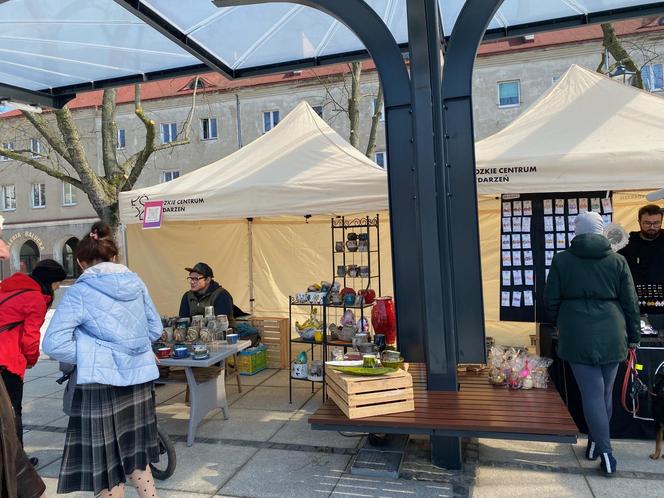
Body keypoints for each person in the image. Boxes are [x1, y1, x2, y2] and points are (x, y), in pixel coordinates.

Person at [42, 222, 163, 498]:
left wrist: (95, 355)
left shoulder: (80, 292)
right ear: (114, 257)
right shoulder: (136, 282)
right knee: (137, 454)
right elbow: (155, 329)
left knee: (106, 465)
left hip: (100, 386)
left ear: (82, 262)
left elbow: (53, 343)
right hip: (139, 381)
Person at [545, 211, 640, 477]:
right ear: (601, 231)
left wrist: (561, 322)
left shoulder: (562, 260)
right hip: (612, 330)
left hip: (576, 332)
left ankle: (605, 451)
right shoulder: (618, 261)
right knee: (604, 394)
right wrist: (634, 336)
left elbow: (550, 299)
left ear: (576, 231)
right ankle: (598, 444)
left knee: (592, 394)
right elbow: (631, 303)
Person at [0, 258, 67, 466]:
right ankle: (17, 465)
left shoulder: (7, 288)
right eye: (57, 283)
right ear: (49, 281)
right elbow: (31, 337)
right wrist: (31, 360)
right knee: (12, 413)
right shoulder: (35, 298)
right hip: (7, 360)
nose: (57, 287)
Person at [618, 204, 664, 320]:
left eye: (656, 223)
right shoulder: (628, 247)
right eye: (647, 223)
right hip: (637, 308)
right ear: (639, 222)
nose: (652, 227)